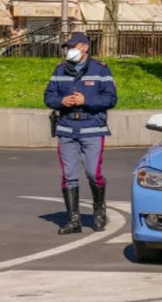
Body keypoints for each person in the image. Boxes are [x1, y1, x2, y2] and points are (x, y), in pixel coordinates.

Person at [44, 32, 117, 235]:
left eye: (72, 46)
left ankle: (99, 210)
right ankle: (73, 219)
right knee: (69, 175)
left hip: (93, 128)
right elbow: (48, 96)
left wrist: (86, 101)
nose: (69, 50)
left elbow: (111, 99)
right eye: (67, 47)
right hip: (67, 129)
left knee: (94, 173)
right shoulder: (60, 70)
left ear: (84, 47)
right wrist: (61, 102)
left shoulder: (101, 70)